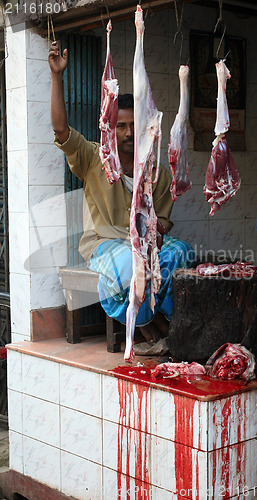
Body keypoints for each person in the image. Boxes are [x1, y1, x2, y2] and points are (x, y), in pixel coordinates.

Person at [48, 41, 194, 345]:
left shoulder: (156, 172)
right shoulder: (94, 156)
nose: (128, 133)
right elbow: (61, 130)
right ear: (110, 128)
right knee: (131, 262)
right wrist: (57, 77)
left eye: (134, 125)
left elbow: (164, 223)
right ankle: (144, 322)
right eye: (121, 126)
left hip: (145, 245)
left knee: (181, 252)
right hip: (104, 245)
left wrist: (157, 232)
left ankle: (161, 316)